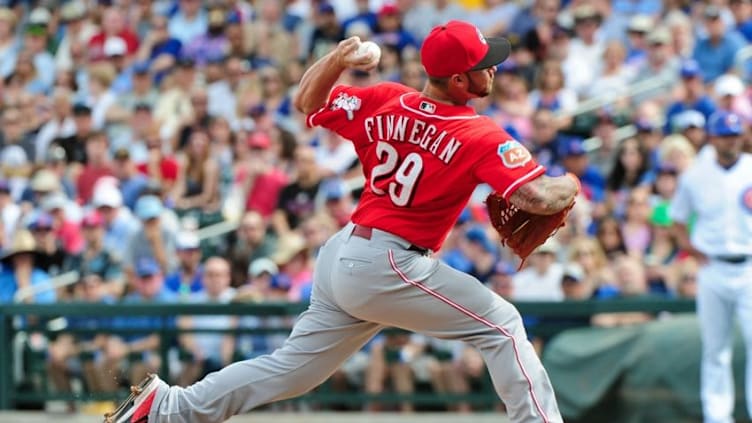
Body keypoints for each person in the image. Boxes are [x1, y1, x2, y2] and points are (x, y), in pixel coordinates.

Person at [105, 20, 576, 423]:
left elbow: (308, 101)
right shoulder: (477, 132)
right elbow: (534, 195)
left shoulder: (387, 99)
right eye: (483, 65)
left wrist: (338, 58)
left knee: (292, 369)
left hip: (345, 253)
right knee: (503, 325)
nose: (493, 68)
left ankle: (169, 408)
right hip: (391, 262)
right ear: (457, 80)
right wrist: (571, 182)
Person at [670, 111, 752, 423]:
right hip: (713, 267)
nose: (729, 140)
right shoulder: (696, 174)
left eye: (734, 135)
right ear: (713, 138)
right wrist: (690, 247)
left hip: (749, 267)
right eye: (723, 135)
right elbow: (677, 219)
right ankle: (717, 417)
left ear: (741, 136)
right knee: (715, 348)